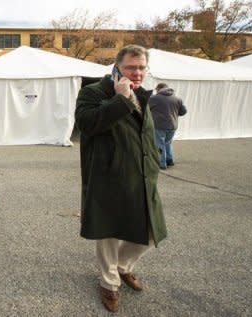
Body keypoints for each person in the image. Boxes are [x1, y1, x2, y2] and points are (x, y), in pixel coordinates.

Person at [75, 45, 167, 312]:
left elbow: (144, 133)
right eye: (131, 67)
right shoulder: (93, 92)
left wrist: (154, 162)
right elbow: (87, 124)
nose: (137, 73)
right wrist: (121, 100)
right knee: (110, 232)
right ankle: (109, 283)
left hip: (143, 174)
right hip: (109, 175)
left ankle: (123, 267)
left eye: (141, 68)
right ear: (117, 67)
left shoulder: (143, 94)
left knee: (151, 231)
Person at [149, 83, 187, 169]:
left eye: (156, 90)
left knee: (159, 144)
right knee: (168, 143)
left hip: (159, 125)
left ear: (159, 89)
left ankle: (162, 164)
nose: (156, 91)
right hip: (173, 125)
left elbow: (147, 109)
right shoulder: (177, 99)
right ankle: (169, 160)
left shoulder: (154, 98)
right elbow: (183, 112)